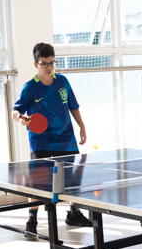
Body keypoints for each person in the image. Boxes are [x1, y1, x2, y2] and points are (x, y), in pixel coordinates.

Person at [12, 42, 92, 235]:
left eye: (52, 63)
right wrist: (21, 118)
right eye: (44, 63)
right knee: (38, 183)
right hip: (42, 141)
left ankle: (73, 212)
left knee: (72, 178)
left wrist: (82, 126)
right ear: (36, 64)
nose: (49, 67)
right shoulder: (30, 87)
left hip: (66, 138)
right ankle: (32, 218)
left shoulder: (62, 81)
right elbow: (15, 111)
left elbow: (73, 106)